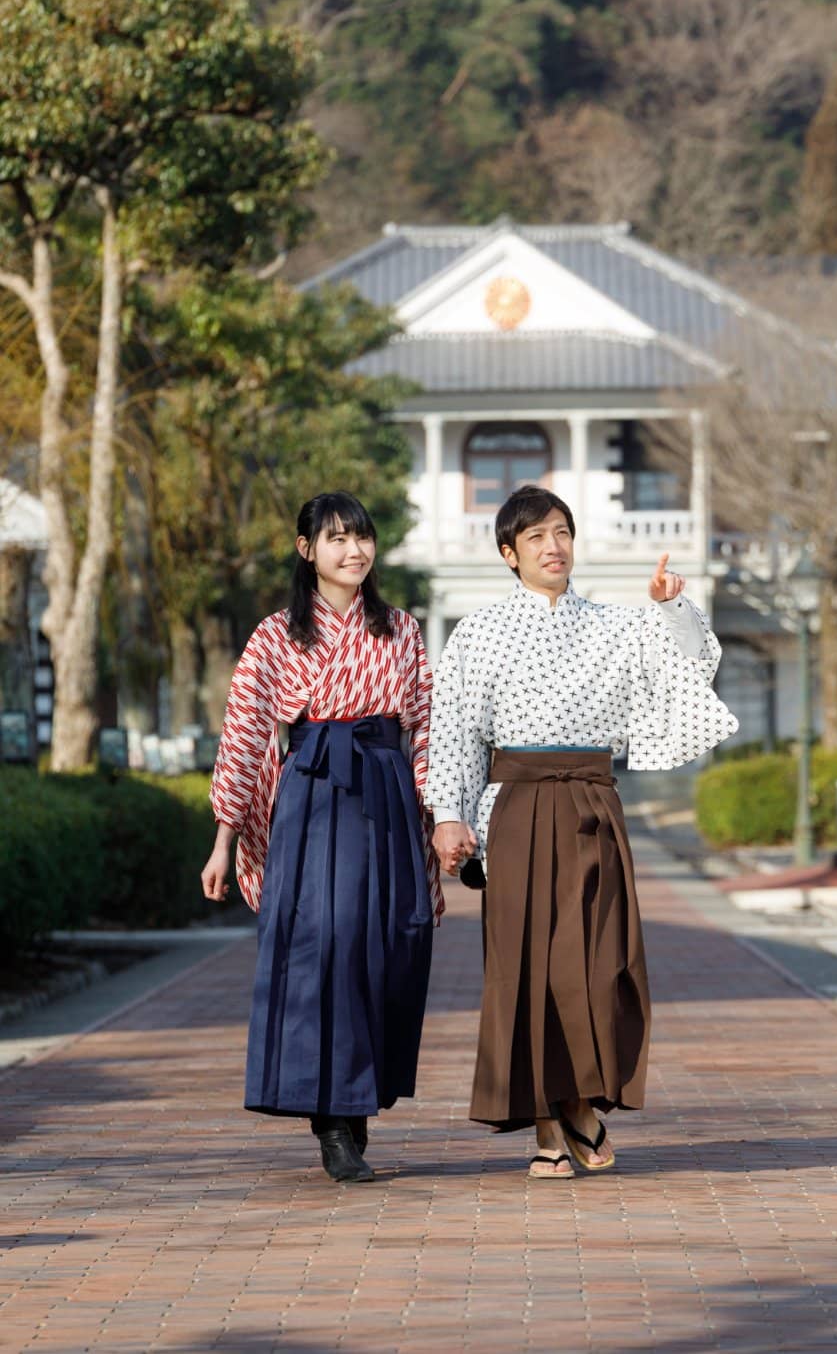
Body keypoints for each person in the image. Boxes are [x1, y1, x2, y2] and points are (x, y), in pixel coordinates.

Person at [427, 485, 737, 1180]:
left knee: (600, 965)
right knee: (528, 971)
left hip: (594, 805)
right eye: (535, 536)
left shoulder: (620, 625)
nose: (553, 546)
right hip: (517, 810)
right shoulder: (477, 632)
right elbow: (452, 733)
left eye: (561, 531)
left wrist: (670, 606)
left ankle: (582, 1102)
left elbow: (693, 666)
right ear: (509, 553)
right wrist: (449, 815)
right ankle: (550, 1126)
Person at [201, 491, 441, 1184]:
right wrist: (224, 837)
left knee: (387, 942)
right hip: (311, 794)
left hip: (389, 792)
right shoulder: (276, 634)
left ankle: (362, 1102)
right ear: (306, 549)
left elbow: (426, 725)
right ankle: (334, 1122)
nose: (354, 551)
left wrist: (440, 814)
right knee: (325, 943)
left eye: (362, 537)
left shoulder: (401, 628)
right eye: (336, 539)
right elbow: (245, 734)